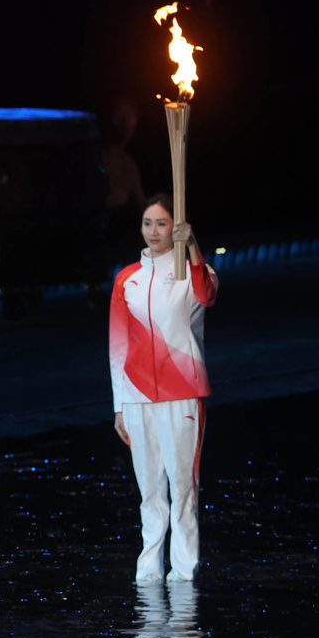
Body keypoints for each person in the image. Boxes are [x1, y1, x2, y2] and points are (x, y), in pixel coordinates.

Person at [109, 194, 217, 583]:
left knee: (184, 487)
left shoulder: (194, 273)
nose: (153, 231)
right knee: (150, 490)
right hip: (138, 397)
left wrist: (191, 247)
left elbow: (207, 295)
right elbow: (117, 345)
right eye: (147, 223)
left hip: (183, 392)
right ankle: (149, 571)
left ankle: (184, 573)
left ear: (177, 226)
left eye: (161, 223)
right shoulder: (127, 279)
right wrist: (120, 405)